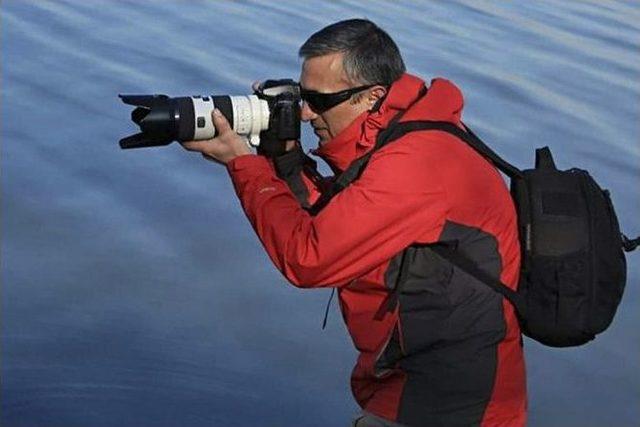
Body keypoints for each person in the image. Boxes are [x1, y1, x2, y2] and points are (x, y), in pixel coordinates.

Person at [182, 19, 526, 427]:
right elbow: (336, 217)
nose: (307, 113)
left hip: (450, 403)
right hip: (415, 381)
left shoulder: (417, 163)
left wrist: (243, 166)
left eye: (319, 100)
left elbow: (309, 258)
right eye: (302, 96)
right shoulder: (403, 131)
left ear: (371, 97)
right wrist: (284, 157)